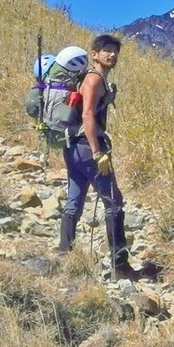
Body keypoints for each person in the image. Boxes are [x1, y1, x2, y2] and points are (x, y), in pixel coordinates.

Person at [57, 34, 149, 280]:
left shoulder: (90, 79)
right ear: (94, 55)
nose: (112, 55)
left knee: (74, 201)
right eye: (106, 50)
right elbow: (88, 115)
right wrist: (98, 152)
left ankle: (65, 255)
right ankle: (120, 266)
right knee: (114, 202)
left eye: (115, 51)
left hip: (72, 147)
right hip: (88, 149)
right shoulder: (95, 79)